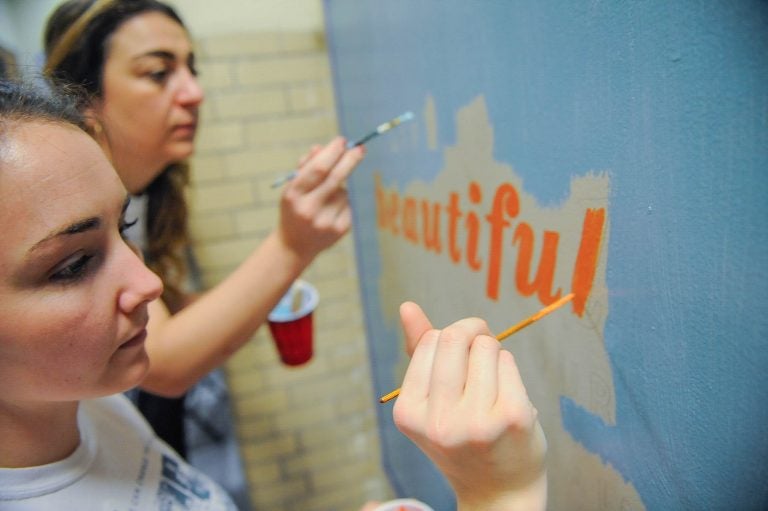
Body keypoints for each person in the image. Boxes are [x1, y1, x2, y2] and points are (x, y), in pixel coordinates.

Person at [0, 79, 547, 510]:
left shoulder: (89, 408)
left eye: (126, 226)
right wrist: (503, 495)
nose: (150, 285)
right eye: (73, 265)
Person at [42, 1, 364, 507]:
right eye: (158, 73)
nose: (194, 93)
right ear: (84, 97)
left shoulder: (147, 193)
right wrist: (290, 247)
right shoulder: (69, 206)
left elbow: (162, 310)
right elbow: (165, 362)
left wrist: (249, 297)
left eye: (191, 69)